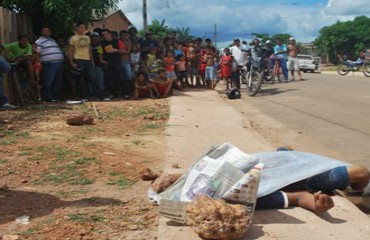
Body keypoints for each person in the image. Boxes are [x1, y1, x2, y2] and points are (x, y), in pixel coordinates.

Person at [255, 148, 370, 213]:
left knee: (286, 154)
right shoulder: (245, 197)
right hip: (305, 179)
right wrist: (318, 205)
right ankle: (353, 189)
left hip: (278, 164)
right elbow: (299, 197)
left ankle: (285, 152)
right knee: (361, 173)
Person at [68, 23, 104, 101]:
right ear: (77, 28)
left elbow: (89, 49)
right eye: (81, 27)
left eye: (84, 27)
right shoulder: (73, 38)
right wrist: (71, 62)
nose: (83, 29)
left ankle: (97, 95)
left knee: (93, 77)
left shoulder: (87, 37)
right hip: (78, 59)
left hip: (88, 60)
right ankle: (82, 96)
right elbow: (70, 51)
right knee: (80, 78)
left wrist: (92, 61)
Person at [99, 28, 130, 99]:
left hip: (117, 63)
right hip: (108, 63)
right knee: (108, 79)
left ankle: (126, 93)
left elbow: (124, 51)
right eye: (103, 35)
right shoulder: (102, 43)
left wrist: (115, 50)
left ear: (110, 34)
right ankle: (113, 94)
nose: (105, 36)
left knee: (121, 78)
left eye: (106, 34)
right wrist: (101, 60)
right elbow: (100, 53)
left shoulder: (117, 41)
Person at [35, 27, 64, 102]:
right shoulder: (39, 41)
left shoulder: (52, 40)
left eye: (49, 30)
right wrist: (38, 63)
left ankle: (55, 97)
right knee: (48, 81)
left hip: (59, 63)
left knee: (57, 81)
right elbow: (37, 53)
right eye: (45, 30)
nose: (48, 31)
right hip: (49, 63)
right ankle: (48, 98)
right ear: (41, 32)